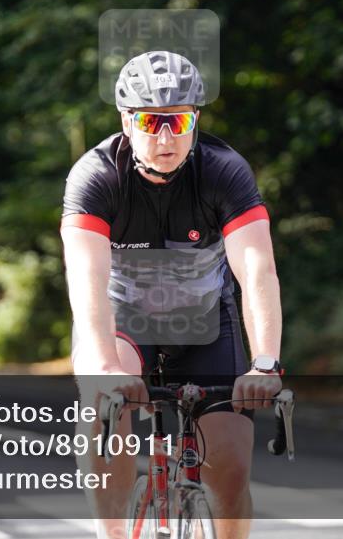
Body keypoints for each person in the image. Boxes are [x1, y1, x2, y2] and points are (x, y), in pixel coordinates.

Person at [62, 51, 284, 539]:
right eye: (150, 121)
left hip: (205, 320)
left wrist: (265, 363)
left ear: (196, 119)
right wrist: (104, 369)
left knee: (229, 470)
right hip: (122, 320)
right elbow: (87, 278)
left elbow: (256, 269)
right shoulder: (96, 176)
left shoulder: (224, 171)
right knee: (102, 411)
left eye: (178, 121)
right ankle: (114, 533)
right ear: (127, 119)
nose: (166, 137)